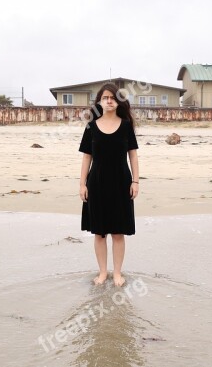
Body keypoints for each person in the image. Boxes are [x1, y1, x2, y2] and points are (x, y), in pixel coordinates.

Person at [79, 83, 139, 287]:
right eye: (105, 98)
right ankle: (103, 272)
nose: (109, 101)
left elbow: (133, 155)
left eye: (112, 97)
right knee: (99, 232)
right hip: (96, 183)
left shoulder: (125, 126)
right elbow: (87, 157)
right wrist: (82, 184)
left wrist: (136, 181)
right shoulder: (91, 127)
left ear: (118, 101)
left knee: (118, 232)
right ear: (99, 102)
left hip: (122, 183)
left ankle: (118, 273)